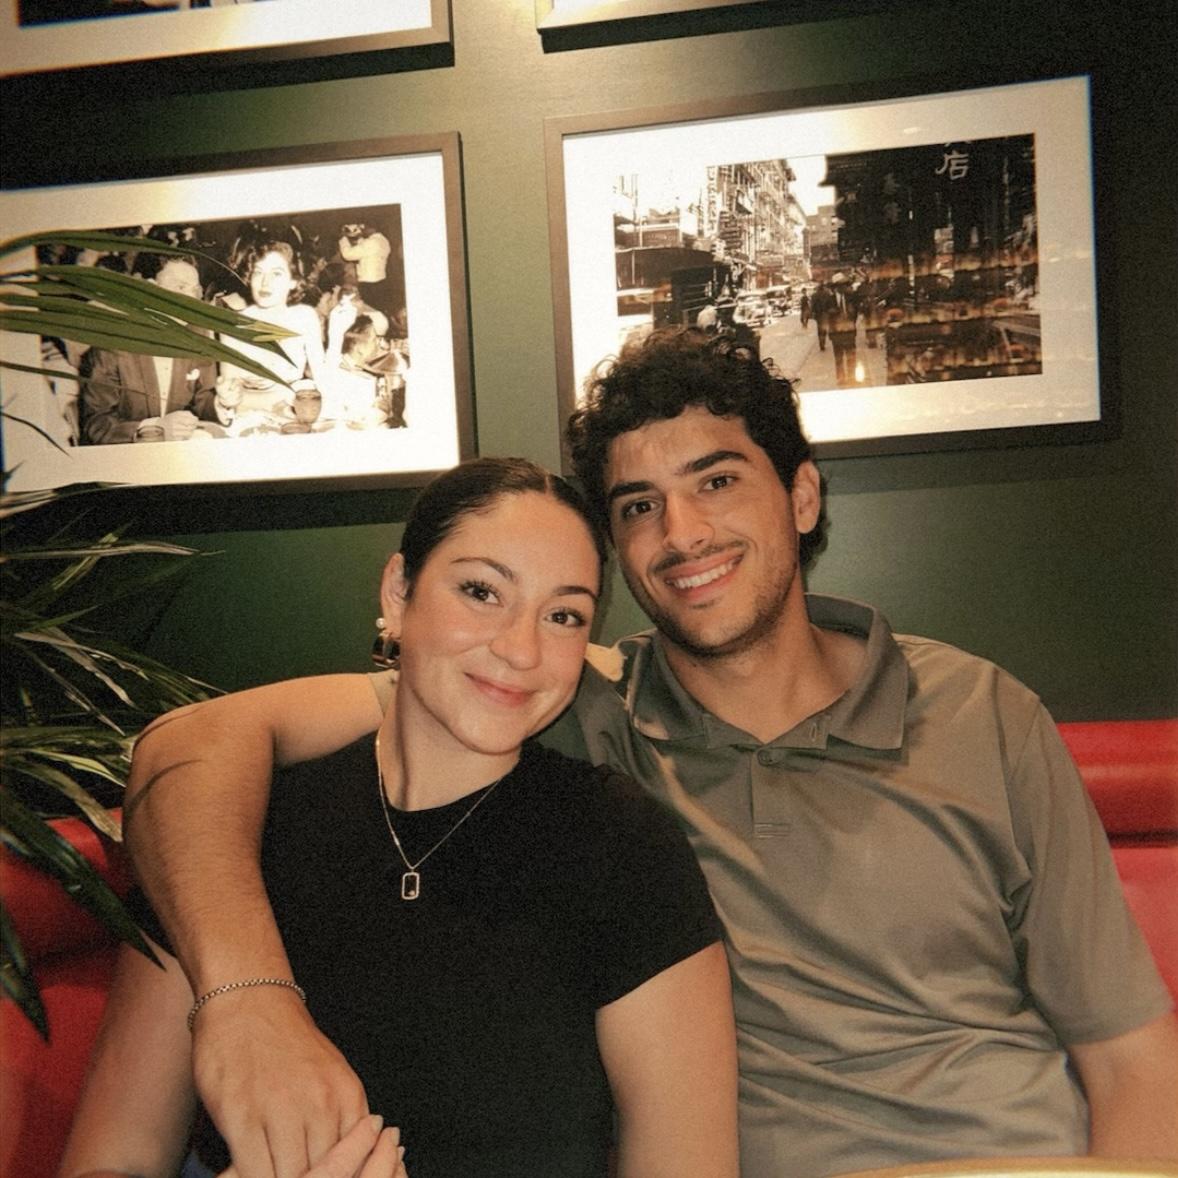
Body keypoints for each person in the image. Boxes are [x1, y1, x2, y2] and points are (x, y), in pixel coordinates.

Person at [123, 330, 1178, 1178]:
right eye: (638, 506)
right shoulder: (559, 696)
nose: (681, 532)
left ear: (802, 496)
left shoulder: (983, 713)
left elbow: (1130, 1054)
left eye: (716, 481)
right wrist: (249, 999)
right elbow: (192, 743)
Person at [65, 456, 738, 1178]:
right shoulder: (235, 832)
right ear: (398, 590)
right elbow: (112, 1159)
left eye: (563, 615)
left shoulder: (621, 846)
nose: (521, 649)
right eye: (481, 591)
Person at [79, 255, 237, 444]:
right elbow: (96, 423)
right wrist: (155, 428)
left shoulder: (198, 334)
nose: (190, 299)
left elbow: (202, 400)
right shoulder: (115, 341)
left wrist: (221, 403)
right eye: (180, 287)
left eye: (195, 290)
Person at [217, 239, 332, 417]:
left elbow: (323, 378)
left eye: (276, 273)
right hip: (249, 419)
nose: (265, 282)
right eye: (258, 272)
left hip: (293, 416)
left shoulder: (305, 317)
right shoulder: (233, 325)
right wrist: (287, 394)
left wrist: (337, 333)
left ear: (293, 281)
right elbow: (231, 397)